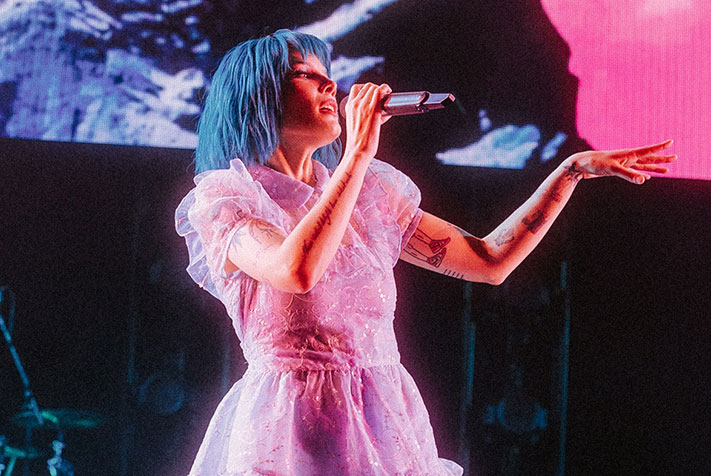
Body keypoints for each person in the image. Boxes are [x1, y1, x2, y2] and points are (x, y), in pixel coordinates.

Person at [175, 29, 675, 476]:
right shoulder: (227, 199)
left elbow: (489, 261)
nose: (330, 85)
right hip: (286, 430)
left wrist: (569, 173)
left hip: (382, 422)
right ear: (258, 96)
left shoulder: (371, 194)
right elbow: (295, 270)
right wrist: (358, 153)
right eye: (306, 75)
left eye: (329, 74)